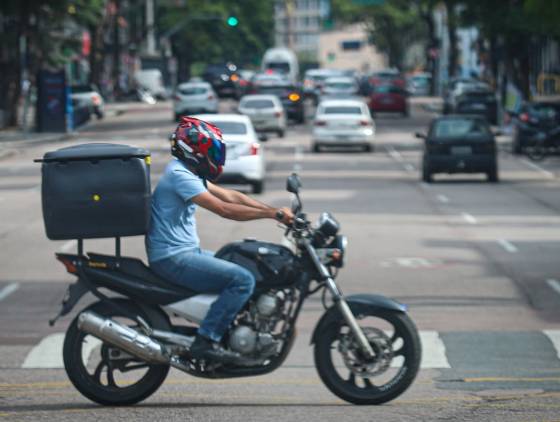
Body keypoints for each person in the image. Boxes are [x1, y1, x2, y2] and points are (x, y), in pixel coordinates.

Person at [146, 116, 293, 363]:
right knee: (242, 280)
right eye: (210, 151)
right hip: (173, 257)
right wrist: (272, 214)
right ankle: (207, 340)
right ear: (194, 150)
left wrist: (273, 210)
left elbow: (230, 196)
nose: (213, 156)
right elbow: (224, 209)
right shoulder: (179, 175)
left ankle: (230, 329)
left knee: (247, 269)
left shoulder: (186, 171)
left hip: (185, 252)